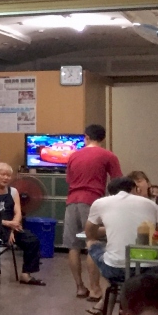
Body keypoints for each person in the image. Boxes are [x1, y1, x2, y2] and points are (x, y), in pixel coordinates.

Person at [85, 176, 158, 301]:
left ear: (110, 192)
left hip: (117, 270)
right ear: (134, 189)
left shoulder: (100, 203)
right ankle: (110, 300)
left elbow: (89, 233)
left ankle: (100, 293)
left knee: (92, 243)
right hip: (149, 270)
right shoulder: (151, 204)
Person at [63, 124, 122, 299]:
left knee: (73, 246)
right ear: (103, 138)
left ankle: (80, 287)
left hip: (72, 201)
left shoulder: (73, 156)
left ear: (86, 137)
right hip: (93, 202)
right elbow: (118, 182)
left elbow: (69, 180)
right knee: (92, 242)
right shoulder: (108, 155)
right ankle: (95, 289)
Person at [0, 162, 44, 285]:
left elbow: (18, 212)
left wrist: (13, 228)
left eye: (8, 175)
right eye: (2, 174)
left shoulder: (13, 191)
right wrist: (8, 224)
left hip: (12, 227)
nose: (6, 178)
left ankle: (26, 274)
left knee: (32, 240)